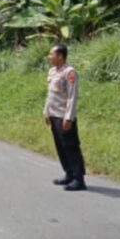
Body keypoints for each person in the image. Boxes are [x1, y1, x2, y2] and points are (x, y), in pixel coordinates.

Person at [43, 44, 87, 191]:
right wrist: (46, 112)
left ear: (60, 56)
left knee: (71, 147)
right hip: (54, 115)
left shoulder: (70, 72)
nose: (49, 57)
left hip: (64, 116)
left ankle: (78, 179)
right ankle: (68, 173)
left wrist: (69, 118)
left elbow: (72, 97)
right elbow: (50, 94)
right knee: (60, 146)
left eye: (51, 54)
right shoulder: (52, 71)